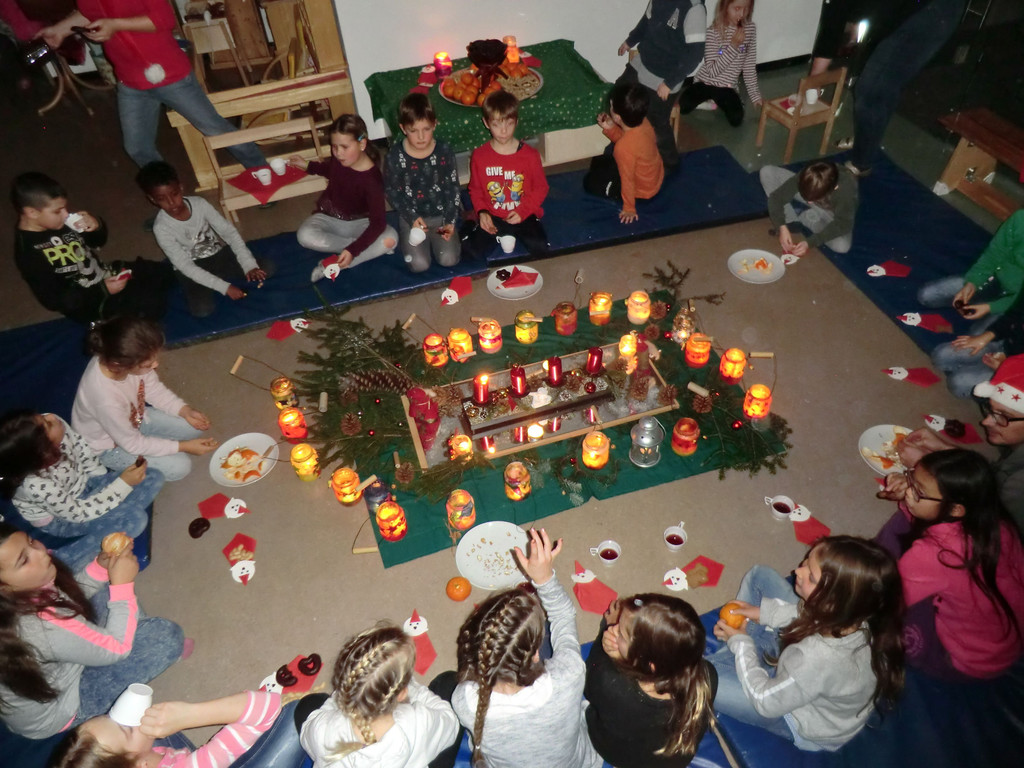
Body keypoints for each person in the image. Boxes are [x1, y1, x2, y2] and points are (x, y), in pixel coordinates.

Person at [708, 536, 904, 751]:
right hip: (801, 670)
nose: (797, 571)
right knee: (760, 575)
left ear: (832, 603)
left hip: (793, 715)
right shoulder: (853, 615)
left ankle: (742, 658)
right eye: (807, 561)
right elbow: (807, 613)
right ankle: (747, 659)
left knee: (699, 676)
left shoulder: (817, 658)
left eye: (811, 576)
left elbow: (765, 702)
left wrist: (742, 644)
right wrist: (763, 613)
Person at [0, 523, 183, 739]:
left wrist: (100, 568)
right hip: (64, 707)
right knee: (164, 637)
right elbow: (117, 649)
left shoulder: (18, 597)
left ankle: (132, 628)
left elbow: (67, 600)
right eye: (24, 560)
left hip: (55, 665)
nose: (40, 552)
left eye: (31, 541)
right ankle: (136, 631)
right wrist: (122, 585)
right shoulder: (41, 626)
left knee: (102, 572)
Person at [37, 0, 264, 169]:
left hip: (170, 75)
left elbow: (163, 19)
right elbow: (89, 11)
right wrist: (60, 29)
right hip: (130, 81)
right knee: (137, 148)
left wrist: (115, 25)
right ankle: (168, 194)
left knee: (216, 129)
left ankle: (262, 172)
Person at [452, 528, 602, 768]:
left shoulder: (465, 701)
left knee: (444, 680)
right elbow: (564, 615)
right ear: (535, 655)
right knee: (555, 631)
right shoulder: (568, 675)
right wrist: (544, 578)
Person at [875, 449, 1024, 680]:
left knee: (881, 607)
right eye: (910, 477)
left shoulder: (934, 555)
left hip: (969, 658)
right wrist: (913, 490)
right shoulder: (998, 524)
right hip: (1007, 640)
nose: (908, 492)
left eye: (918, 491)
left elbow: (885, 599)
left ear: (955, 509)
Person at [0, 410, 162, 569]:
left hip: (86, 484)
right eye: (47, 424)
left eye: (42, 418)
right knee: (135, 520)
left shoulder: (56, 425)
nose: (50, 416)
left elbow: (82, 451)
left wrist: (102, 480)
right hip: (62, 517)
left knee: (153, 476)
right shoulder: (36, 486)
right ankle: (68, 559)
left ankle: (111, 516)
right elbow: (78, 513)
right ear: (45, 453)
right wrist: (122, 485)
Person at [11, 172, 173, 324]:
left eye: (65, 208)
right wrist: (102, 290)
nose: (66, 214)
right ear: (32, 212)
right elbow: (54, 301)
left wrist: (95, 227)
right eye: (57, 211)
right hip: (89, 302)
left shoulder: (59, 221)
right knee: (152, 305)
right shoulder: (28, 253)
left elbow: (98, 242)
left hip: (105, 273)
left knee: (164, 272)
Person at [72, 316, 218, 482]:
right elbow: (132, 444)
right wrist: (183, 447)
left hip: (134, 419)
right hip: (110, 447)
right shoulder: (105, 400)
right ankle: (121, 467)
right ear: (120, 366)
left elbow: (153, 389)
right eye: (148, 365)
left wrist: (184, 410)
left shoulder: (121, 357)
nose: (156, 365)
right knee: (180, 467)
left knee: (193, 427)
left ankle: (155, 442)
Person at [299, 623, 460, 768]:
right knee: (448, 683)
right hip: (414, 748)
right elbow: (450, 722)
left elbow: (307, 736)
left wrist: (338, 698)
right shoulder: (418, 722)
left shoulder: (324, 729)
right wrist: (415, 689)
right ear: (401, 693)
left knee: (308, 705)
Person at [584, 594, 717, 768]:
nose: (614, 630)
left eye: (621, 633)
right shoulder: (708, 675)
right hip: (672, 761)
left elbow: (589, 681)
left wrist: (606, 631)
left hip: (621, 756)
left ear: (649, 665)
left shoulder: (611, 684)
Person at [840, 0, 967, 176]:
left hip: (927, 12)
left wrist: (860, 19)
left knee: (869, 90)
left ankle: (862, 162)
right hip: (922, 11)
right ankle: (866, 141)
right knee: (885, 85)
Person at [136, 161, 273, 318]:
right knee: (202, 310)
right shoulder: (161, 227)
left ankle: (217, 278)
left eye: (174, 194)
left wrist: (248, 264)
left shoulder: (199, 204)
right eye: (162, 199)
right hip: (191, 267)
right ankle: (212, 281)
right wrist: (224, 287)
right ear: (152, 199)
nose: (171, 203)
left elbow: (229, 233)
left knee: (266, 268)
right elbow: (185, 266)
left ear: (181, 187)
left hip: (217, 256)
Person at [50, 689, 307, 768]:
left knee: (160, 727)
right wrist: (191, 715)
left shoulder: (143, 757)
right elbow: (268, 708)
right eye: (126, 729)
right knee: (303, 710)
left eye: (109, 716)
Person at [920, 210, 1024, 398]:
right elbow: (994, 254)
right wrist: (973, 283)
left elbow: (1016, 306)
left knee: (959, 383)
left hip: (1016, 358)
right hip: (1007, 314)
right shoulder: (1020, 219)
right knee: (928, 298)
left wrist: (1007, 366)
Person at [294, 114, 398, 282]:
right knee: (304, 235)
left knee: (390, 238)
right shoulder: (340, 160)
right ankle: (366, 247)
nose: (338, 153)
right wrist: (307, 165)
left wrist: (352, 251)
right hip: (329, 217)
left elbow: (378, 223)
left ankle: (336, 264)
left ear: (362, 144)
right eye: (334, 147)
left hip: (360, 223)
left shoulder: (372, 180)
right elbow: (330, 170)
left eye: (344, 147)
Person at [616, 0, 708, 170]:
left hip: (667, 76)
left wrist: (669, 83)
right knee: (619, 95)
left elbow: (695, 54)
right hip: (644, 61)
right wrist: (630, 41)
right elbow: (646, 22)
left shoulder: (694, 9)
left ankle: (670, 162)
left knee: (656, 122)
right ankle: (622, 142)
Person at [464, 91, 550, 260]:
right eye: (496, 125)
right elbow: (475, 189)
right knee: (470, 253)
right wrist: (482, 212)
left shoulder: (530, 155)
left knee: (541, 248)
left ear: (516, 121)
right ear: (486, 123)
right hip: (493, 215)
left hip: (522, 213)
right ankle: (471, 220)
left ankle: (507, 231)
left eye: (509, 124)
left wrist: (522, 211)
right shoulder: (479, 156)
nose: (503, 131)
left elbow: (541, 188)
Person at [384, 93, 462, 273]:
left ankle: (440, 238)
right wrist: (411, 217)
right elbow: (392, 191)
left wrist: (450, 221)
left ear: (434, 124)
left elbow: (453, 187)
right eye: (413, 131)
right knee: (419, 265)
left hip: (441, 218)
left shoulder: (444, 150)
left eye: (426, 129)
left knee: (449, 259)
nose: (421, 136)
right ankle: (414, 241)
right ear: (403, 128)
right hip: (412, 219)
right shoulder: (395, 156)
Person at [584, 82, 665, 225]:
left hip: (643, 190)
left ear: (617, 117)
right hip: (654, 175)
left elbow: (627, 179)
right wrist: (611, 128)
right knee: (599, 162)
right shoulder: (643, 121)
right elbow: (631, 143)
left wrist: (629, 208)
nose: (609, 107)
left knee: (590, 182)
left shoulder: (623, 148)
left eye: (611, 106)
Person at [676, 0, 761, 128]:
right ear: (725, 7)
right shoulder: (713, 31)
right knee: (683, 106)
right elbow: (712, 71)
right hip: (706, 82)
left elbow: (749, 65)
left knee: (736, 119)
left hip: (727, 87)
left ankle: (718, 101)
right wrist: (733, 46)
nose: (741, 14)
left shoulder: (750, 30)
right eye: (737, 9)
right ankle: (707, 101)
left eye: (746, 9)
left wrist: (755, 96)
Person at [760, 160, 858, 256]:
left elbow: (843, 224)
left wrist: (810, 242)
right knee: (767, 172)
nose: (809, 202)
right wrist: (781, 226)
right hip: (813, 191)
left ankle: (809, 218)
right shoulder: (811, 174)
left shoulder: (846, 192)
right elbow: (776, 197)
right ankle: (791, 220)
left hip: (831, 212)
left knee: (842, 246)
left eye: (813, 200)